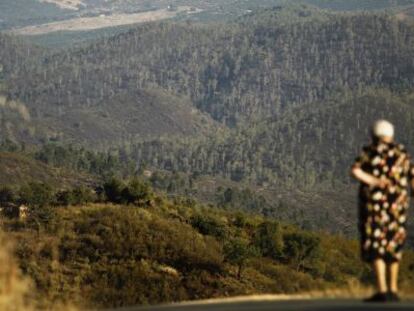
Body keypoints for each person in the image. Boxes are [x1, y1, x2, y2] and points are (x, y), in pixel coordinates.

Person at [351, 120, 414, 302]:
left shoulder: (370, 151)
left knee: (376, 245)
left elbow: (355, 171)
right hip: (398, 207)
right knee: (394, 244)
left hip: (374, 206)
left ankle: (382, 289)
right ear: (391, 134)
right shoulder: (402, 153)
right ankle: (393, 289)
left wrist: (373, 181)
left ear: (374, 134)